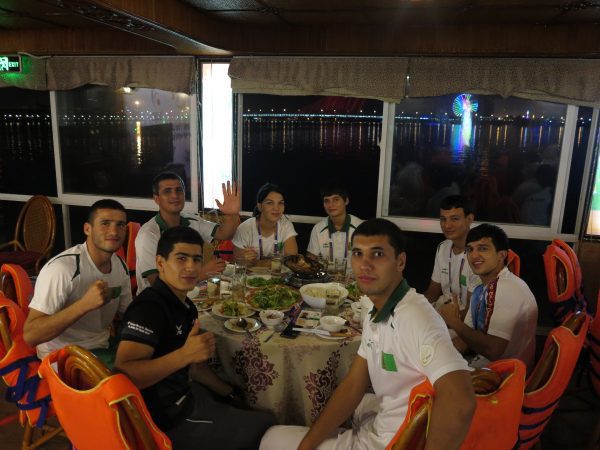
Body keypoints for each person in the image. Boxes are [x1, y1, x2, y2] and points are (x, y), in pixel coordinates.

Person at [260, 218, 475, 450]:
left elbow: (461, 402)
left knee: (270, 437)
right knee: (358, 402)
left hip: (391, 441)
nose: (365, 265)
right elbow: (354, 384)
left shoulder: (414, 316)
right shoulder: (376, 308)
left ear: (400, 262)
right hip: (390, 416)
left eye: (377, 254)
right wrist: (308, 444)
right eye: (358, 254)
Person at [115, 226, 275, 449]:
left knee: (255, 407)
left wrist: (231, 394)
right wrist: (184, 355)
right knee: (268, 426)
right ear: (160, 263)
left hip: (188, 396)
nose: (191, 267)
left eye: (197, 259)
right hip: (163, 421)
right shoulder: (149, 308)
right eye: (181, 258)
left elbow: (196, 369)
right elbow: (125, 374)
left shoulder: (187, 307)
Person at [24, 199, 132, 367]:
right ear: (87, 229)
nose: (114, 231)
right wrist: (84, 305)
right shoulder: (62, 269)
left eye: (120, 225)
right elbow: (31, 335)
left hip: (102, 346)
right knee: (135, 376)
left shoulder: (120, 266)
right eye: (105, 223)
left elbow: (129, 314)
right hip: (63, 356)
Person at [439, 223, 538, 372]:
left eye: (483, 248)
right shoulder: (480, 289)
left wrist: (453, 321)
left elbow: (493, 350)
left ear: (501, 255)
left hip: (504, 377)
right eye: (470, 249)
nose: (474, 255)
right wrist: (435, 356)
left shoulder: (508, 288)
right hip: (484, 365)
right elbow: (465, 340)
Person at [135, 171, 240, 294]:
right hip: (156, 301)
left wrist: (230, 214)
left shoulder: (190, 220)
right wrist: (201, 274)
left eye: (179, 190)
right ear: (157, 199)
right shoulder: (148, 235)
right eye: (167, 191)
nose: (175, 195)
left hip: (188, 294)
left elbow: (225, 234)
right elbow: (157, 283)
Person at [423, 195, 480, 318]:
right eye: (443, 219)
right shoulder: (443, 247)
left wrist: (442, 321)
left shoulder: (478, 255)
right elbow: (433, 291)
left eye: (454, 219)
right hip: (441, 312)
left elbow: (471, 311)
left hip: (464, 320)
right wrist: (416, 307)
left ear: (469, 219)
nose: (447, 225)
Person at [232, 183, 298, 266]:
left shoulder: (286, 225)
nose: (276, 208)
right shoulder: (245, 228)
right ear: (260, 207)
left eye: (280, 203)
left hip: (277, 274)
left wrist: (256, 263)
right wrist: (244, 260)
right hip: (251, 274)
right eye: (270, 203)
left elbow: (292, 260)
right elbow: (237, 262)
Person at [306, 185, 362, 273]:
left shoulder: (360, 227)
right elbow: (311, 259)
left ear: (346, 201)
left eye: (336, 199)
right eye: (326, 201)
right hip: (326, 278)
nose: (331, 205)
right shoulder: (318, 228)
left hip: (353, 278)